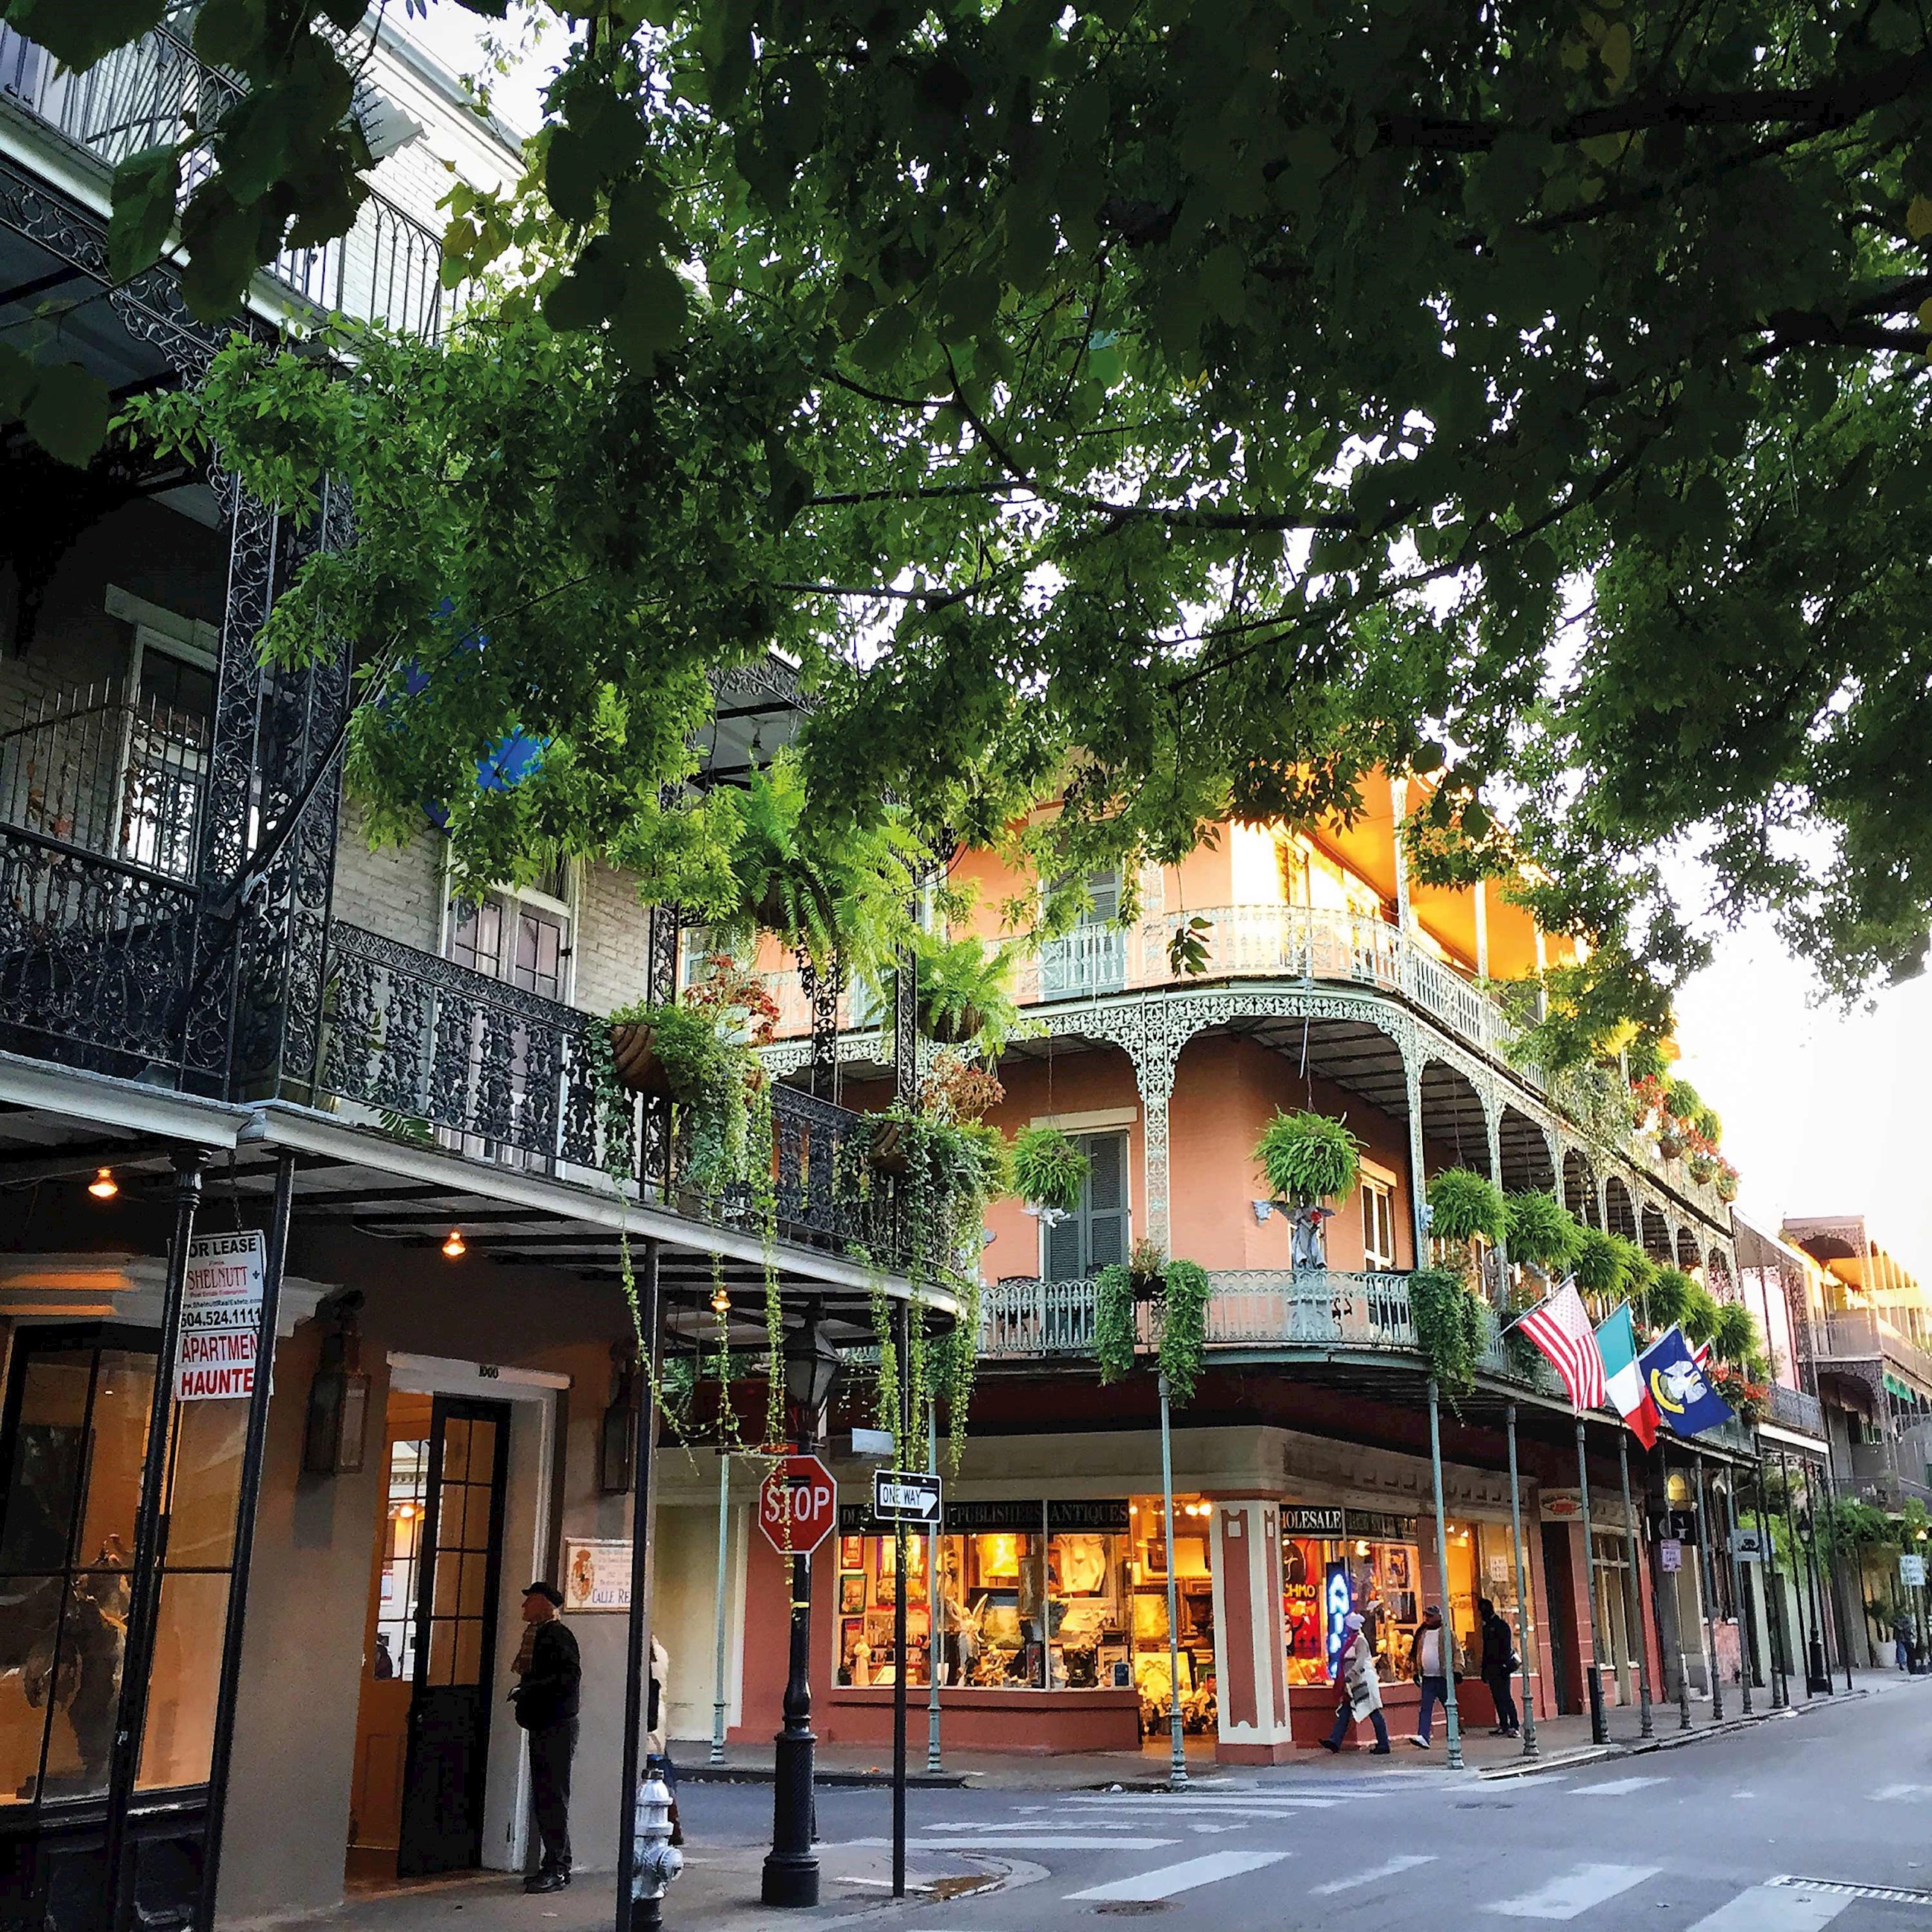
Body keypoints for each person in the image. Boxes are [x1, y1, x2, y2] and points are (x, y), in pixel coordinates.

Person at [511, 1581, 581, 1892]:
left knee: (551, 1797)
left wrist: (529, 1689)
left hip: (555, 1726)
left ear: (542, 1605)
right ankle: (556, 1863)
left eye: (529, 1602)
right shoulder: (539, 1636)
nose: (524, 1608)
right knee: (546, 1796)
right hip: (544, 1724)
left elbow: (568, 1677)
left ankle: (556, 1867)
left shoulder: (557, 1636)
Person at [1322, 1611, 1391, 1754]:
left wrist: (1351, 1675)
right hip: (1354, 1683)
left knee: (1373, 1710)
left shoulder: (1360, 1641)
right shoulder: (1352, 1641)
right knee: (1346, 1710)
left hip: (1363, 1682)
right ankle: (1335, 1741)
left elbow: (1360, 1662)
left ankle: (1384, 1743)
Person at [646, 1635, 684, 1848]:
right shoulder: (660, 1651)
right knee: (661, 1769)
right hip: (657, 1715)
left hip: (649, 1716)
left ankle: (668, 1823)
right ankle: (672, 1824)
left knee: (654, 1770)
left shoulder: (649, 1652)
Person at [1407, 1605, 1459, 1748]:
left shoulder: (1447, 1633)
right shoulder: (1422, 1633)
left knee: (1449, 1706)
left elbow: (1456, 1652)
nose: (1427, 1619)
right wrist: (1416, 1672)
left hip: (1443, 1677)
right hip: (1428, 1677)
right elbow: (1417, 1652)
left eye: (1430, 1616)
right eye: (1426, 1616)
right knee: (1425, 1707)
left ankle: (1453, 1733)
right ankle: (1423, 1735)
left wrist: (1457, 1670)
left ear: (1438, 1616)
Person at [1477, 1596, 1521, 1737]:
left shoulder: (1501, 1626)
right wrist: (1484, 1669)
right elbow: (1486, 1650)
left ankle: (1514, 1725)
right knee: (1497, 1697)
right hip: (1492, 1668)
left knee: (1505, 1697)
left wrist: (1503, 1664)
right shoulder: (1486, 1627)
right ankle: (1504, 1724)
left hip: (1501, 1667)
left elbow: (1505, 1647)